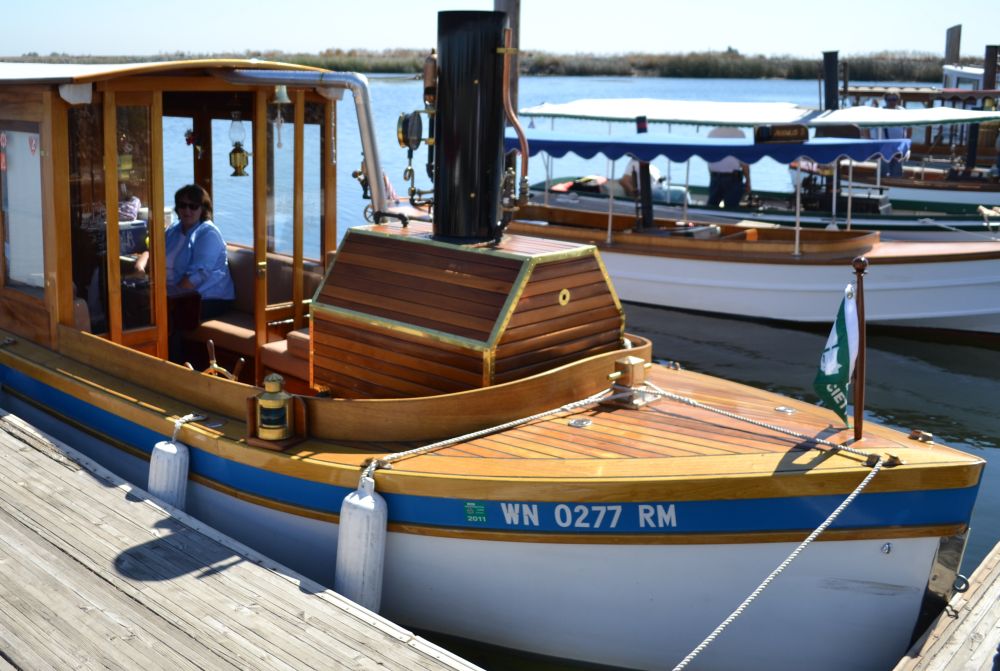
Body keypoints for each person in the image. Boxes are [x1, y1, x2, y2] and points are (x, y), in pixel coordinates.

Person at [135, 184, 234, 360]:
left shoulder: (208, 233)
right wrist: (140, 266)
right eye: (182, 205)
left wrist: (170, 297)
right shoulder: (173, 230)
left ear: (203, 209)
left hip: (208, 298)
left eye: (193, 206)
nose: (187, 210)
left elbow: (198, 276)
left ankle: (174, 365)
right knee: (135, 305)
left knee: (166, 316)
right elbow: (153, 250)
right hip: (176, 294)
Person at [705, 126, 751, 208]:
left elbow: (709, 158)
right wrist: (748, 180)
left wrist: (711, 176)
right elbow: (744, 161)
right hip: (732, 179)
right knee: (731, 210)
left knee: (711, 209)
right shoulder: (739, 134)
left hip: (715, 177)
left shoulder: (712, 133)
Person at [877, 88, 910, 178]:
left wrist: (907, 144)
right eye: (889, 99)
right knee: (883, 173)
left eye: (894, 99)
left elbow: (909, 127)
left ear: (898, 100)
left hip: (899, 147)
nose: (892, 102)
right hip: (884, 147)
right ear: (886, 100)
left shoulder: (902, 111)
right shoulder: (880, 111)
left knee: (897, 172)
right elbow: (866, 127)